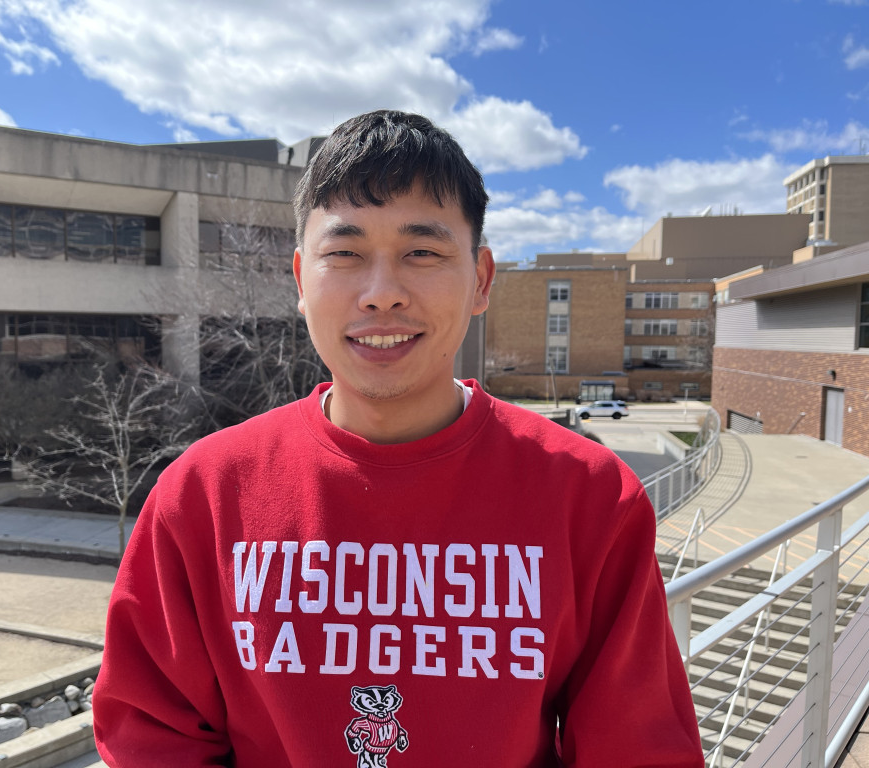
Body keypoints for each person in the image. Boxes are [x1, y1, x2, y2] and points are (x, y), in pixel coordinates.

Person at [92, 110, 704, 767]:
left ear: (481, 280)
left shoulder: (587, 494)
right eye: (345, 254)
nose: (382, 295)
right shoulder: (204, 495)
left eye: (423, 252)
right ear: (301, 280)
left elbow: (638, 748)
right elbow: (151, 740)